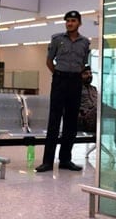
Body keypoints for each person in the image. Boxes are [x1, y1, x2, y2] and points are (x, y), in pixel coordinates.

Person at [35, 10, 90, 173]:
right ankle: (47, 162)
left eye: (73, 21)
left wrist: (75, 76)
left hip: (75, 82)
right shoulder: (57, 39)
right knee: (54, 121)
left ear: (79, 23)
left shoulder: (85, 43)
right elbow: (49, 61)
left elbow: (83, 64)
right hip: (59, 80)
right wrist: (59, 75)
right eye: (67, 21)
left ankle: (65, 160)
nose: (69, 23)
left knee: (71, 123)